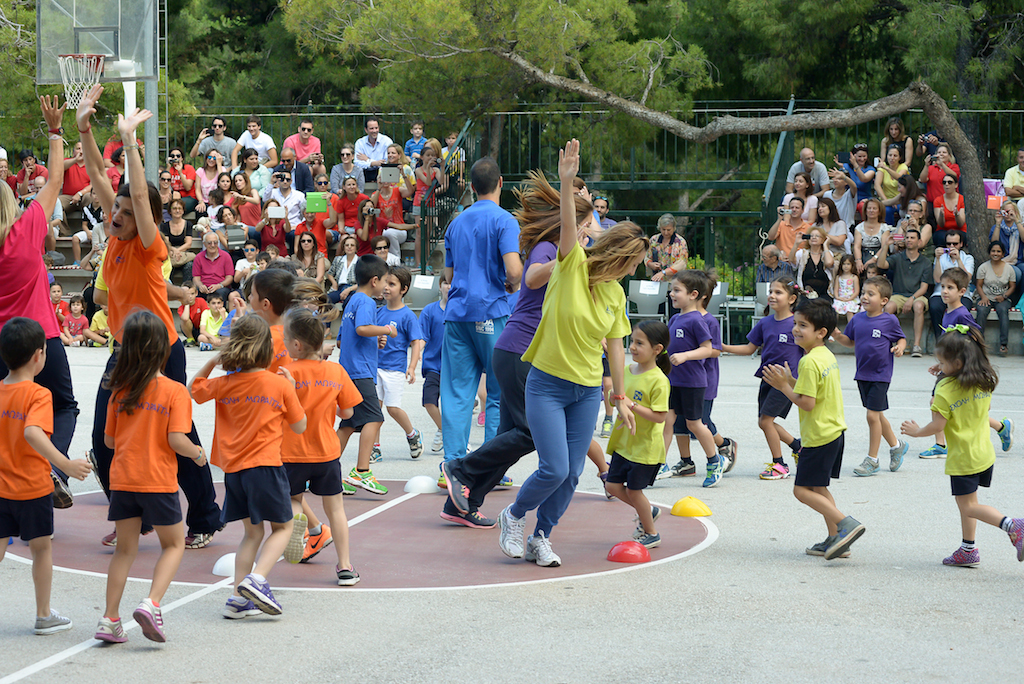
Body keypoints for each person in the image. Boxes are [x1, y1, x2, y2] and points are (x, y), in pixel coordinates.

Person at [77, 84, 221, 549]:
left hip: (161, 351)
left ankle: (203, 517)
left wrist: (132, 143)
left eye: (123, 209)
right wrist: (83, 128)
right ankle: (133, 516)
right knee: (104, 437)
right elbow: (101, 174)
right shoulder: (116, 240)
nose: (115, 212)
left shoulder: (147, 245)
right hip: (124, 349)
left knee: (175, 434)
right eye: (112, 208)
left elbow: (139, 196)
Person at [497, 139, 646, 568]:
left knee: (574, 473)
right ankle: (515, 515)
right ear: (622, 256)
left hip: (584, 391)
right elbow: (567, 224)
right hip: (546, 383)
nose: (637, 271)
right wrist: (565, 183)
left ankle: (541, 536)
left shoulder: (615, 293)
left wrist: (620, 397)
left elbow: (616, 345)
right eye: (635, 263)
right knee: (554, 468)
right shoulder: (571, 263)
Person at [440, 173, 595, 524]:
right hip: (518, 350)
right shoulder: (547, 247)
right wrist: (567, 259)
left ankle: (463, 501)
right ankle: (460, 468)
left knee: (508, 437)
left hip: (522, 351)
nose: (587, 231)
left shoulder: (568, 251)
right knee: (529, 434)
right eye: (584, 224)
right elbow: (531, 277)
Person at [95, 311, 205, 644]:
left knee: (124, 551)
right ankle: (151, 602)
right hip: (157, 480)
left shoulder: (119, 391)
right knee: (172, 544)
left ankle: (109, 618)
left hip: (124, 479)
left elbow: (109, 442)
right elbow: (176, 440)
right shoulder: (174, 392)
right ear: (163, 350)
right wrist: (197, 454)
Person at [190, 314, 305, 617]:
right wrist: (292, 388)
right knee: (283, 527)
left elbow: (195, 389)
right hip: (265, 466)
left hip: (234, 471)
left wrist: (214, 360)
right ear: (267, 347)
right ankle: (258, 578)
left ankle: (238, 597)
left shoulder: (225, 383)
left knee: (252, 534)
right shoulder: (278, 384)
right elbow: (300, 426)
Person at [0, 95, 80, 504]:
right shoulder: (26, 229)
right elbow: (53, 183)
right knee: (63, 407)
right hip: (40, 336)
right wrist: (54, 131)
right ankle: (52, 467)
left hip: (1, 341)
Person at [900, 327, 1024, 568]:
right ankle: (968, 549)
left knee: (968, 505)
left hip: (963, 457)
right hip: (984, 453)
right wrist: (946, 370)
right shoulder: (983, 380)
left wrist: (916, 432)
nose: (939, 365)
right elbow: (984, 411)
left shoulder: (944, 391)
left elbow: (938, 424)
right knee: (970, 504)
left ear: (956, 362)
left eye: (942, 361)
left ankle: (1012, 525)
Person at [0, 317, 91, 636]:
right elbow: (32, 432)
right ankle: (42, 615)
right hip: (32, 489)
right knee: (41, 550)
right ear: (40, 355)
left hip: (1, 489)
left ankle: (43, 615)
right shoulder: (39, 395)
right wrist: (64, 465)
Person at [763, 298, 866, 560]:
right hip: (833, 432)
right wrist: (792, 380)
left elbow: (806, 403)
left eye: (803, 325)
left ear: (821, 332)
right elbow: (813, 391)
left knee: (802, 491)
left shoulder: (809, 361)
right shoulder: (824, 355)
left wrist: (783, 386)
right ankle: (837, 539)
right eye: (795, 324)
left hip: (819, 436)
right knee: (819, 489)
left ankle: (846, 525)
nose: (796, 329)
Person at [440, 156, 522, 466]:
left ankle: (453, 462)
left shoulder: (456, 222)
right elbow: (514, 272)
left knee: (457, 392)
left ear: (472, 187)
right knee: (499, 391)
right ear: (501, 183)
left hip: (457, 313)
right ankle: (489, 466)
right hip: (490, 311)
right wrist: (511, 282)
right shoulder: (504, 220)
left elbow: (448, 276)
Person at [280, 307, 361, 582]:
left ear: (297, 344)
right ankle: (346, 566)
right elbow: (348, 413)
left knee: (292, 498)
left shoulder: (286, 373)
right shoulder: (336, 371)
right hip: (327, 451)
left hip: (291, 451)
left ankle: (298, 525)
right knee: (335, 509)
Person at [722, 277, 803, 480]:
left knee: (766, 421)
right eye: (771, 292)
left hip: (785, 382)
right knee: (764, 422)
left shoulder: (798, 324)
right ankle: (798, 446)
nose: (772, 296)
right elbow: (749, 348)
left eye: (778, 292)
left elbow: (810, 351)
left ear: (792, 298)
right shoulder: (765, 323)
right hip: (767, 378)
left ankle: (780, 464)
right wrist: (722, 347)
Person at [832, 276, 908, 477]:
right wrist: (838, 335)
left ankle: (872, 460)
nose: (864, 297)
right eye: (863, 293)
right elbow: (850, 341)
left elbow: (901, 337)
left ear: (884, 300)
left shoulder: (889, 320)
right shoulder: (857, 319)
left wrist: (900, 347)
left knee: (872, 416)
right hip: (862, 374)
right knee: (878, 415)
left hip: (881, 374)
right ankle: (896, 445)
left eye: (870, 294)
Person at [603, 320, 670, 549]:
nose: (632, 347)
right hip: (624, 442)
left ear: (657, 349)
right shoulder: (626, 370)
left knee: (633, 489)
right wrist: (613, 397)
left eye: (639, 343)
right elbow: (615, 394)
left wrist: (630, 405)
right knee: (612, 486)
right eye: (632, 341)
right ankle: (647, 510)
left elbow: (660, 416)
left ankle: (651, 532)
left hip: (644, 447)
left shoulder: (659, 380)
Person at [337, 255, 397, 496]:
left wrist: (376, 338)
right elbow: (362, 329)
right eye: (385, 281)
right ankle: (362, 471)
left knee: (349, 424)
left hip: (349, 371)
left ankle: (321, 470)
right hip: (360, 373)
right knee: (375, 418)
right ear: (374, 281)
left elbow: (344, 339)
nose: (385, 286)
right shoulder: (368, 303)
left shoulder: (352, 300)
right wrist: (386, 330)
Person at [666, 270, 723, 487]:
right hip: (673, 380)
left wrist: (686, 356)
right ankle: (659, 463)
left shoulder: (697, 320)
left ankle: (714, 460)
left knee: (695, 424)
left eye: (677, 290)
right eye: (672, 290)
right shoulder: (674, 318)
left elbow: (708, 349)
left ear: (693, 294)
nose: (672, 294)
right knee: (667, 420)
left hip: (693, 381)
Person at [374, 265, 425, 460]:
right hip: (377, 367)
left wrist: (412, 367)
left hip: (395, 369)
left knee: (392, 408)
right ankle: (375, 447)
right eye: (385, 283)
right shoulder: (378, 313)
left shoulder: (408, 315)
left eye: (392, 284)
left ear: (404, 289)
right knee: (375, 411)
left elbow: (416, 342)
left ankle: (412, 434)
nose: (386, 287)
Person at [878, 228, 931, 356]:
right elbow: (881, 264)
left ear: (919, 242)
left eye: (912, 238)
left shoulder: (926, 262)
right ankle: (889, 343)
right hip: (898, 295)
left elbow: (924, 288)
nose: (909, 240)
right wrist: (886, 245)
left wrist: (912, 298)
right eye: (907, 237)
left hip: (917, 295)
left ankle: (916, 345)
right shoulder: (897, 258)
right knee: (889, 306)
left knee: (918, 306)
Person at [419, 272, 448, 454]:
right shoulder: (429, 311)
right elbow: (422, 337)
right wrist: (415, 358)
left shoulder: (462, 311)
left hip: (456, 368)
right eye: (445, 283)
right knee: (429, 401)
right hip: (433, 366)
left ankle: (451, 436)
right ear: (439, 286)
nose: (449, 287)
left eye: (452, 283)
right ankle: (445, 431)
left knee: (452, 406)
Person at [928, 231, 974, 342]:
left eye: (955, 244)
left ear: (961, 244)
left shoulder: (968, 258)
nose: (951, 247)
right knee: (934, 306)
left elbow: (966, 280)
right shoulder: (941, 257)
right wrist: (938, 259)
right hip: (941, 292)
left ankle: (959, 340)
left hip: (962, 293)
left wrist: (958, 259)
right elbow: (937, 279)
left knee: (963, 310)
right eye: (948, 244)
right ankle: (940, 339)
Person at [975, 241, 1017, 357]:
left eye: (998, 251)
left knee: (1003, 311)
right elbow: (978, 285)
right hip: (986, 297)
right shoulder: (983, 267)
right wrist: (983, 297)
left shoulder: (1009, 269)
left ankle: (1003, 344)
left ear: (1003, 254)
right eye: (993, 251)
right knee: (982, 310)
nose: (995, 253)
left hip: (1002, 299)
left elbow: (1012, 286)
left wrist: (1004, 296)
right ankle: (979, 344)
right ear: (989, 253)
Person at [790, 226, 834, 301]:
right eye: (811, 236)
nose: (814, 237)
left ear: (822, 240)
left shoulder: (827, 253)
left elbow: (829, 263)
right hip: (805, 294)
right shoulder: (802, 253)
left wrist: (825, 245)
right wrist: (796, 244)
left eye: (817, 236)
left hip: (824, 294)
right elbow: (791, 260)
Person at [191, 231, 235, 303]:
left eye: (215, 242)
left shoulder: (226, 256)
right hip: (204, 287)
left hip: (220, 287)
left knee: (220, 293)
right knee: (194, 293)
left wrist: (219, 285)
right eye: (209, 243)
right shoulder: (198, 257)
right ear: (204, 244)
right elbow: (196, 277)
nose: (213, 245)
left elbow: (229, 278)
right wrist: (201, 286)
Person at [919, 143, 960, 214]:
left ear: (949, 156)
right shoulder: (931, 168)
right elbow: (922, 179)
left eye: (944, 152)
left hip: (949, 202)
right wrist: (926, 165)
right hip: (932, 202)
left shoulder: (954, 167)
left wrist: (942, 164)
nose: (941, 154)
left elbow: (954, 176)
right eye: (939, 152)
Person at [853, 198, 891, 275]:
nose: (871, 210)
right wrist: (858, 260)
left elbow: (884, 247)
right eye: (869, 208)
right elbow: (857, 246)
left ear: (879, 211)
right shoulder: (859, 227)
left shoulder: (884, 228)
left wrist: (874, 259)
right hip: (863, 253)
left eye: (874, 208)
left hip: (879, 254)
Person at [767, 196, 811, 262]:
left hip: (798, 262)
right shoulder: (781, 224)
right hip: (782, 262)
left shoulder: (808, 228)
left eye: (797, 208)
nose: (794, 210)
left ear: (802, 210)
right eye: (792, 207)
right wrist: (779, 219)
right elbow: (770, 237)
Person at [326, 176, 369, 242]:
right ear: (344, 187)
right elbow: (341, 219)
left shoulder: (363, 198)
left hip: (360, 226)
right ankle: (339, 253)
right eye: (349, 185)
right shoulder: (341, 201)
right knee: (344, 239)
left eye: (353, 184)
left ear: (356, 186)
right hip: (347, 227)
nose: (351, 187)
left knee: (353, 238)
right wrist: (341, 228)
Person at [645, 213, 688, 280]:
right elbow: (647, 256)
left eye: (668, 230)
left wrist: (664, 272)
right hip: (657, 279)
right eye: (663, 229)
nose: (666, 232)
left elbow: (682, 263)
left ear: (674, 228)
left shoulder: (680, 242)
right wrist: (650, 264)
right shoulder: (654, 240)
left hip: (675, 280)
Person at [875, 144, 910, 225]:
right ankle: (889, 231)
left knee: (903, 210)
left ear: (900, 157)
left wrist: (886, 168)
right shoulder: (882, 167)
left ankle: (904, 231)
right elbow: (877, 185)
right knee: (887, 210)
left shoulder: (903, 166)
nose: (892, 158)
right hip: (886, 200)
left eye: (895, 156)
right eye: (890, 155)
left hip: (900, 200)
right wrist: (887, 201)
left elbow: (899, 177)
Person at [354, 117, 393, 183]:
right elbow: (357, 163)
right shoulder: (360, 143)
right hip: (364, 173)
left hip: (382, 173)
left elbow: (387, 163)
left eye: (376, 128)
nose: (374, 131)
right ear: (366, 130)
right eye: (371, 128)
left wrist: (368, 160)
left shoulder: (387, 141)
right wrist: (373, 163)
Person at [933, 172, 966, 246]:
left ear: (956, 185)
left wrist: (957, 214)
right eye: (944, 182)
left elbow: (961, 224)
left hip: (960, 230)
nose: (946, 184)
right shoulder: (938, 200)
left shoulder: (962, 199)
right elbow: (941, 224)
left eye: (950, 182)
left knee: (960, 238)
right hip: (943, 230)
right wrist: (941, 215)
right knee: (940, 237)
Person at [164, 147, 198, 215]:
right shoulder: (170, 169)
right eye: (172, 156)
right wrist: (168, 166)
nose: (175, 158)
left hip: (189, 197)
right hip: (174, 197)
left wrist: (180, 173)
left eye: (178, 156)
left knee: (176, 206)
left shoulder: (189, 168)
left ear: (182, 158)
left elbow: (188, 187)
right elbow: (165, 183)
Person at [831, 254, 860, 322]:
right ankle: (834, 327)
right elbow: (836, 290)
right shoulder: (839, 277)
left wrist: (849, 299)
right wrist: (838, 297)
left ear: (852, 265)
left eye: (848, 264)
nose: (846, 266)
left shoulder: (854, 277)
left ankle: (851, 327)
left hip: (851, 299)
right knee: (835, 309)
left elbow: (856, 291)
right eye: (844, 264)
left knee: (849, 310)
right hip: (840, 298)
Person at [1003, 148, 1024, 216]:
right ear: (1017, 158)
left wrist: (1017, 187)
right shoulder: (1010, 172)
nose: (1023, 160)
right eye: (1021, 157)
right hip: (1013, 202)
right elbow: (1008, 192)